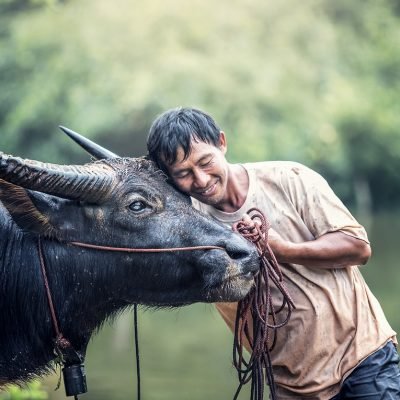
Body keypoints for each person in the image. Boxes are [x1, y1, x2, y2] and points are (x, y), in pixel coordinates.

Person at [146, 107, 400, 399]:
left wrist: (285, 251)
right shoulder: (189, 224)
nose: (201, 180)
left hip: (361, 359)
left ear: (222, 143)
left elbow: (357, 248)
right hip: (290, 382)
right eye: (184, 174)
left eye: (205, 162)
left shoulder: (291, 179)